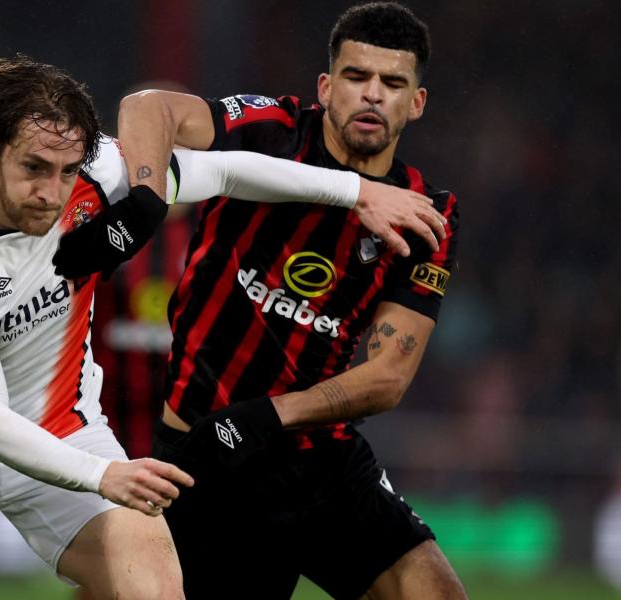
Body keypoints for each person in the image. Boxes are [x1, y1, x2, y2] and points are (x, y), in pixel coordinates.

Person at [0, 55, 444, 600]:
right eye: (34, 168)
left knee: (156, 590)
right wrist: (106, 474)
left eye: (66, 172)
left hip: (65, 428)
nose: (52, 194)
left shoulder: (95, 173)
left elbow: (229, 171)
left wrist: (356, 191)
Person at [57, 2, 468, 598]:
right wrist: (146, 197)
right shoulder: (268, 130)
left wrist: (268, 415)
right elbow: (149, 105)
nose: (372, 95)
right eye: (356, 78)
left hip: (320, 459)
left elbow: (387, 378)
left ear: (417, 102)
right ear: (326, 87)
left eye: (392, 83)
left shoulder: (430, 213)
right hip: (206, 454)